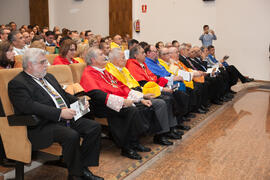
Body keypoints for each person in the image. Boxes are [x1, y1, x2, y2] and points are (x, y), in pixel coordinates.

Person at [8, 48, 103, 180]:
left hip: (63, 118)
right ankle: (76, 175)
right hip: (42, 124)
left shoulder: (48, 77)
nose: (46, 64)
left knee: (94, 127)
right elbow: (29, 106)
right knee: (71, 135)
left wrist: (80, 102)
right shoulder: (17, 83)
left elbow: (64, 95)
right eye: (42, 62)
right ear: (30, 65)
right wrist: (59, 113)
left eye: (46, 61)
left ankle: (83, 168)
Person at [80, 48, 158, 160]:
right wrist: (122, 102)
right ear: (93, 59)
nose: (105, 56)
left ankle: (134, 142)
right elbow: (97, 95)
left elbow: (122, 87)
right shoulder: (89, 73)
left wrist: (140, 98)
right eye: (101, 54)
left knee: (143, 106)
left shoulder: (104, 71)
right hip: (101, 105)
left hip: (115, 100)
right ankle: (126, 147)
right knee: (130, 110)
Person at [106, 48, 182, 144]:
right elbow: (123, 89)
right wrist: (142, 96)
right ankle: (161, 134)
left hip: (138, 91)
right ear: (115, 60)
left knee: (168, 98)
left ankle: (170, 129)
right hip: (129, 95)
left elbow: (141, 82)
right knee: (161, 102)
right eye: (123, 58)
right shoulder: (112, 71)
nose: (125, 59)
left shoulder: (124, 69)